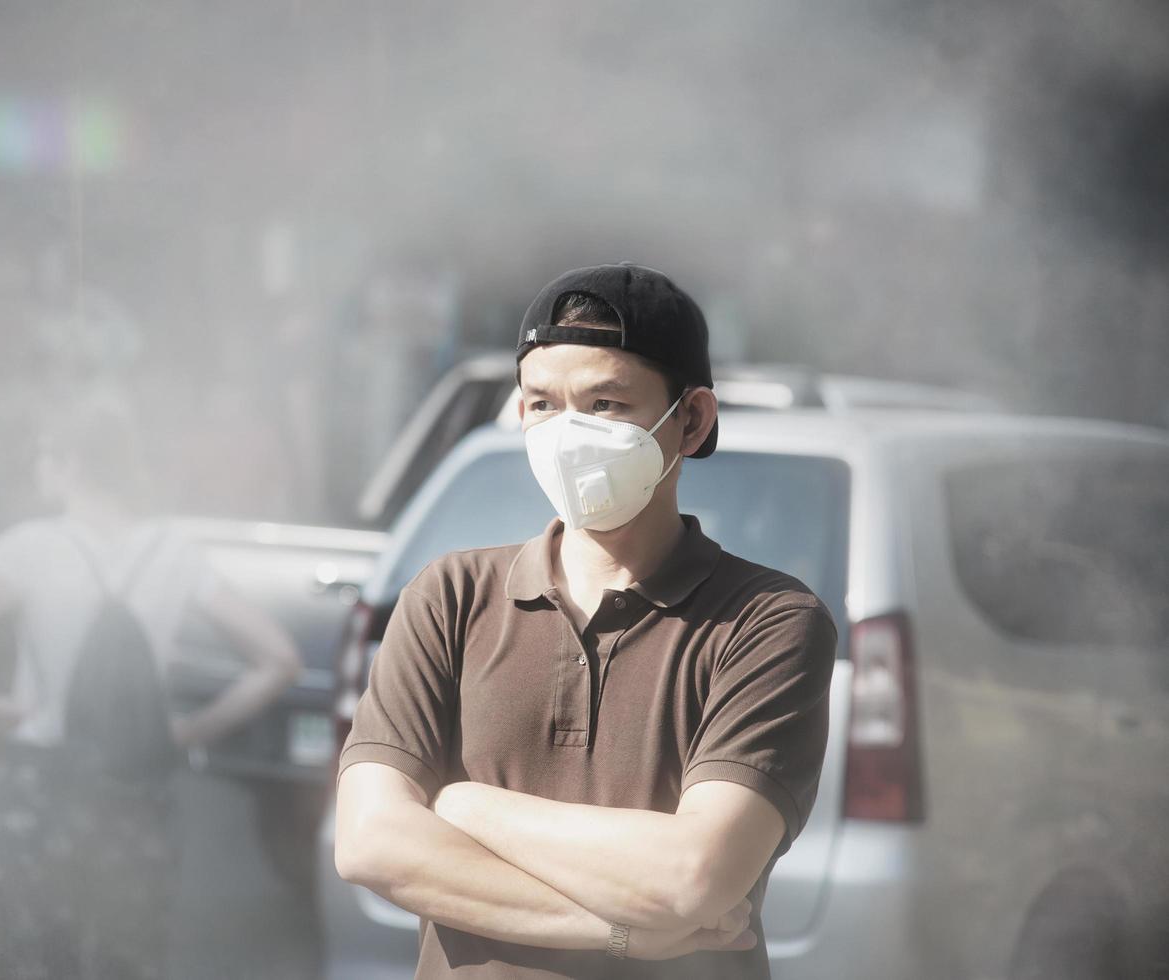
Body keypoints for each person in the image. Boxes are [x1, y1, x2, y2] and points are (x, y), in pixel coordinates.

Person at [334, 263, 837, 979]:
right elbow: (370, 842)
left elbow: (693, 878)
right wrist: (620, 932)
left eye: (605, 404)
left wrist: (459, 803)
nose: (567, 433)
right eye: (542, 404)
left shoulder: (767, 622)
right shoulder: (449, 597)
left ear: (691, 420)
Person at [0, 395, 301, 979]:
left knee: (22, 959)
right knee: (123, 958)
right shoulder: (174, 553)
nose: (38, 466)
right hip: (137, 793)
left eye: (44, 453)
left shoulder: (29, 548)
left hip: (39, 788)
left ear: (70, 461)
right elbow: (278, 659)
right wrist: (192, 730)